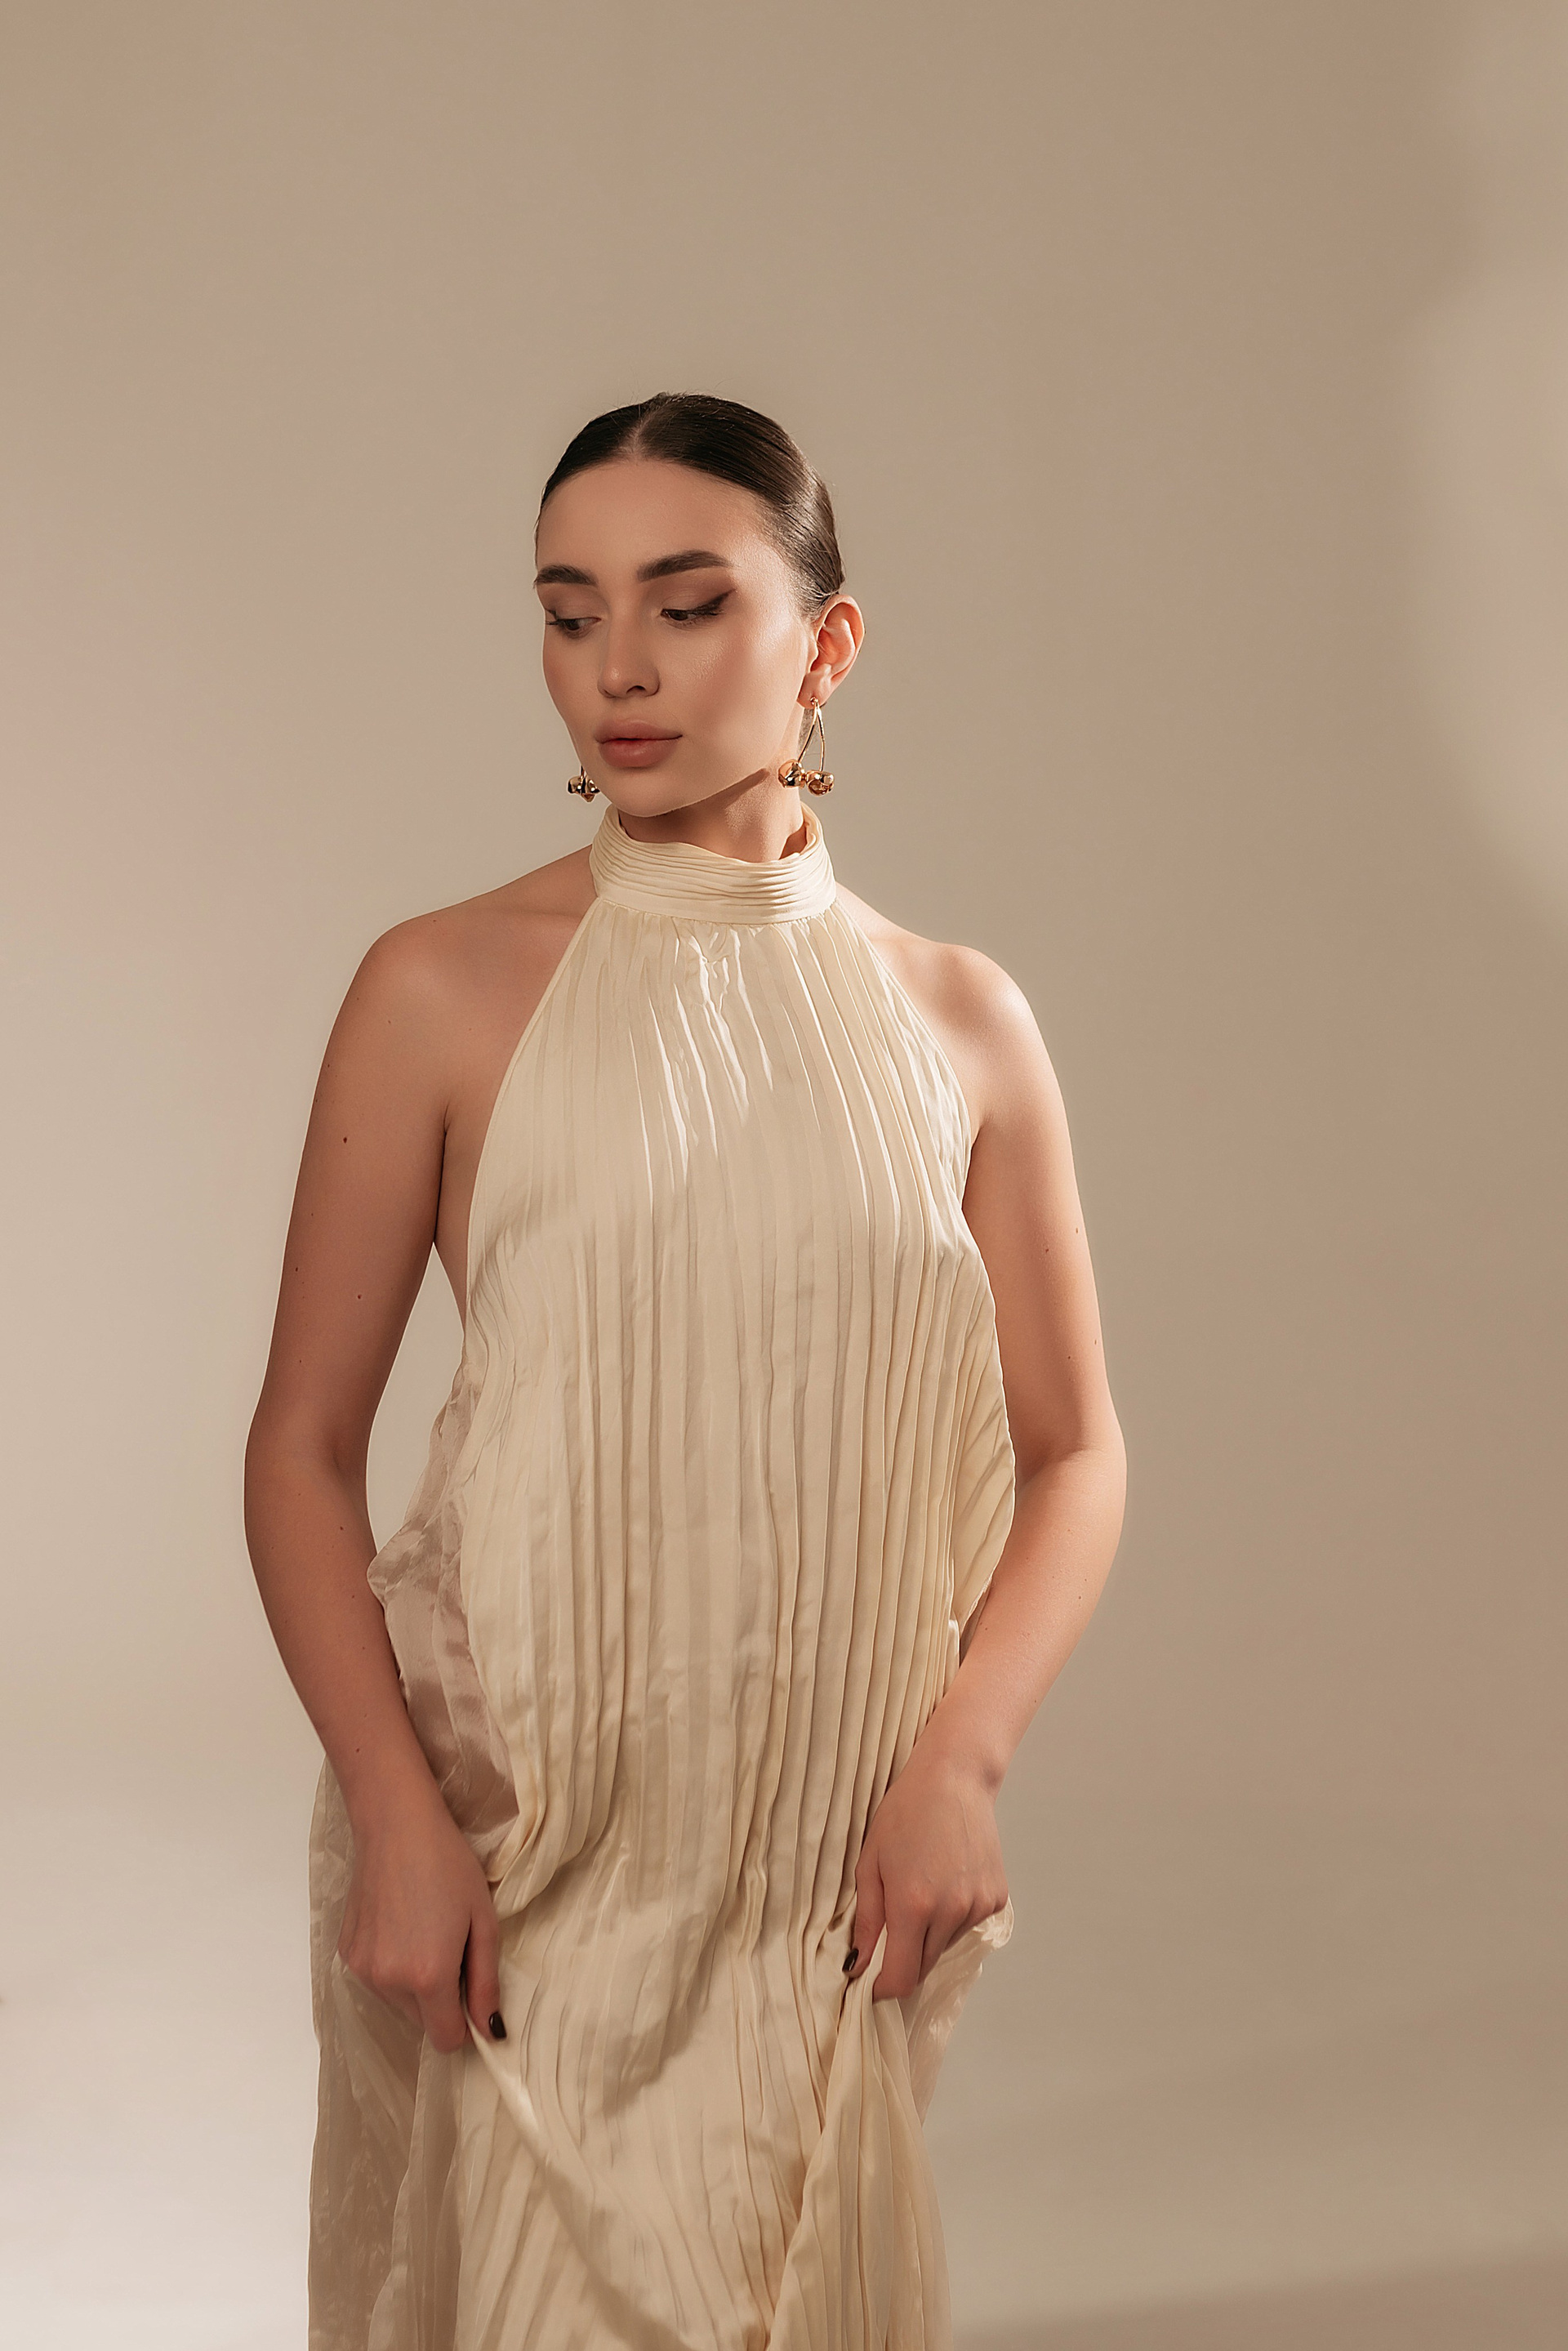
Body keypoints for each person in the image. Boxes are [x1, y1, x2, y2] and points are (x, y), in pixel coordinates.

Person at [244, 391, 1126, 2350]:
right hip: (525, 1868)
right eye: (569, 613)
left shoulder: (962, 1020)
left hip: (829, 1878)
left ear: (829, 641)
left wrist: (964, 1760)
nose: (617, 667)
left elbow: (1076, 1450)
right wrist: (394, 1813)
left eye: (687, 601)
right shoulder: (440, 988)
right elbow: (300, 1447)